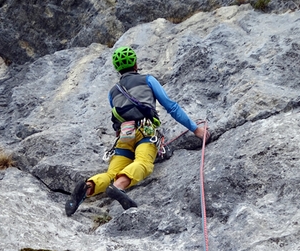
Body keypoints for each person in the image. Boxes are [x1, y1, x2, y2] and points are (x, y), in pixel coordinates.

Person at [65, 46, 209, 216]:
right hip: (145, 131)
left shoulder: (113, 92)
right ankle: (118, 187)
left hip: (124, 136)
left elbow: (116, 117)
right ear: (135, 64)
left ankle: (88, 186)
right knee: (144, 163)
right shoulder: (148, 80)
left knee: (111, 173)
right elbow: (171, 107)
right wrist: (196, 129)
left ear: (117, 68)